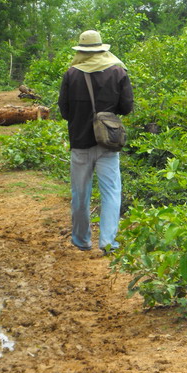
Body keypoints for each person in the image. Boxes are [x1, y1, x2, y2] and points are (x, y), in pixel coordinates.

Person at [58, 30, 134, 254]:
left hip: (80, 143)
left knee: (80, 194)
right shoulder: (118, 72)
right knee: (111, 192)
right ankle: (108, 243)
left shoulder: (71, 74)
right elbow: (126, 108)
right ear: (102, 49)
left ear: (80, 51)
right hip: (108, 144)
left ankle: (81, 240)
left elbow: (64, 111)